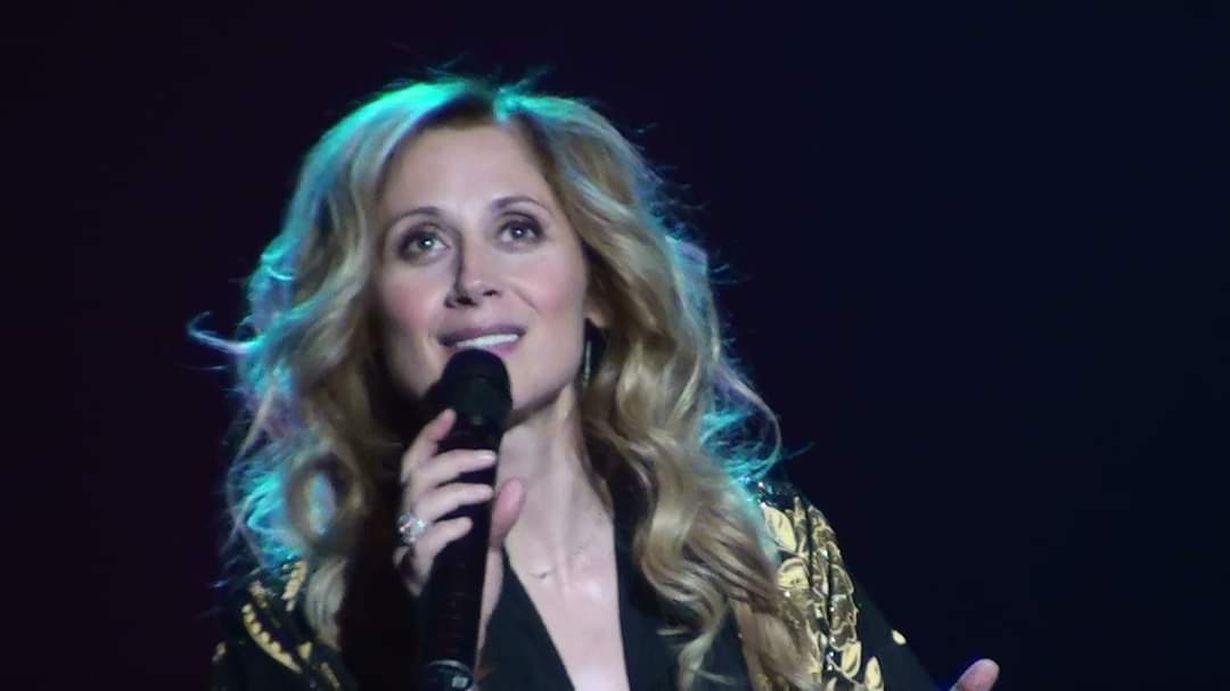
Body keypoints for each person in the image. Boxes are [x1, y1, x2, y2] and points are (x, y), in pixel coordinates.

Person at [198, 74, 1000, 690]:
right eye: (422, 243)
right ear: (366, 310)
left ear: (600, 289)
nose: (474, 279)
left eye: (518, 229)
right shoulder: (300, 621)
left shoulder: (763, 551)